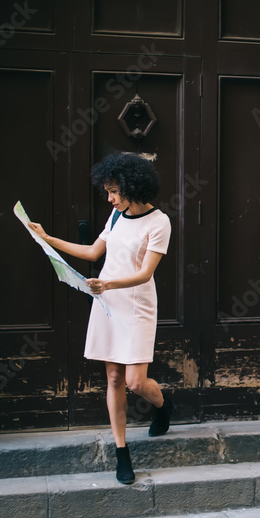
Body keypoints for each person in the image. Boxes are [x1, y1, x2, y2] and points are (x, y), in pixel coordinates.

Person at [28, 151, 173, 484]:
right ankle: (122, 453)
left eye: (113, 191)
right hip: (108, 303)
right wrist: (47, 238)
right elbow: (94, 252)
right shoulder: (116, 216)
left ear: (131, 187)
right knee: (113, 379)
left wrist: (107, 282)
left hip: (136, 305)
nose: (109, 198)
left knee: (136, 382)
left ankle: (163, 405)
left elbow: (145, 273)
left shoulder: (159, 222)